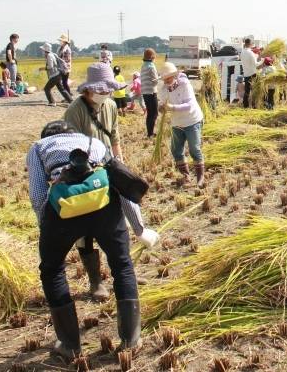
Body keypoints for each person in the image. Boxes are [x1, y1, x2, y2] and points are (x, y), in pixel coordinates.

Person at [27, 121, 149, 359]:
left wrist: (48, 226)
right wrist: (138, 226)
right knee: (122, 264)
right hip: (103, 206)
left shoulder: (39, 147)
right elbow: (122, 186)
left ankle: (70, 344)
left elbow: (38, 193)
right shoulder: (94, 142)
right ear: (73, 133)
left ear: (46, 136)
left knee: (52, 271)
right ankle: (131, 339)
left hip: (63, 210)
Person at [65, 63, 152, 300]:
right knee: (86, 230)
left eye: (108, 90)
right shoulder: (75, 110)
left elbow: (114, 137)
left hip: (109, 169)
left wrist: (120, 165)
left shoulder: (111, 105)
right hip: (84, 174)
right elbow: (70, 146)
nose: (106, 94)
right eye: (101, 90)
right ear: (89, 90)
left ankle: (126, 275)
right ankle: (95, 282)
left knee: (116, 226)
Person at [158, 63, 205, 187]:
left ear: (175, 75)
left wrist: (172, 107)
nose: (168, 80)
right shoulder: (163, 90)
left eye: (170, 77)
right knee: (176, 150)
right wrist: (161, 108)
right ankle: (186, 176)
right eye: (165, 78)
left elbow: (189, 105)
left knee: (194, 149)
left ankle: (201, 177)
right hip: (177, 123)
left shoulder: (184, 84)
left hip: (192, 120)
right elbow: (162, 104)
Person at [140, 48, 159, 137]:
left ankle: (150, 133)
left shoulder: (143, 65)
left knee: (150, 113)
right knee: (154, 113)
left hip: (145, 92)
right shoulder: (151, 66)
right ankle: (150, 133)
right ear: (152, 56)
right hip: (151, 92)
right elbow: (155, 81)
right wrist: (160, 77)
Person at [241, 38, 262, 108]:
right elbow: (256, 64)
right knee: (254, 91)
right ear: (250, 44)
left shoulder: (242, 52)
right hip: (252, 74)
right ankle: (254, 105)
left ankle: (245, 105)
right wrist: (263, 61)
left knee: (247, 91)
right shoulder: (250, 53)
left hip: (246, 73)